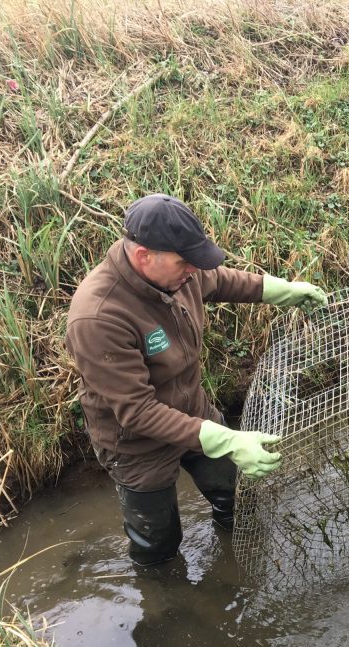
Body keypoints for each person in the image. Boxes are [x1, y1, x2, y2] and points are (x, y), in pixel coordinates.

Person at [65, 193, 327, 566]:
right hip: (137, 444)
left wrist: (281, 290)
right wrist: (227, 439)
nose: (193, 270)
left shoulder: (176, 273)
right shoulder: (98, 317)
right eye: (184, 262)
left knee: (237, 497)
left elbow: (218, 280)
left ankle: (238, 561)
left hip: (193, 410)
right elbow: (137, 412)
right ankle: (165, 606)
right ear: (144, 256)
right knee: (158, 546)